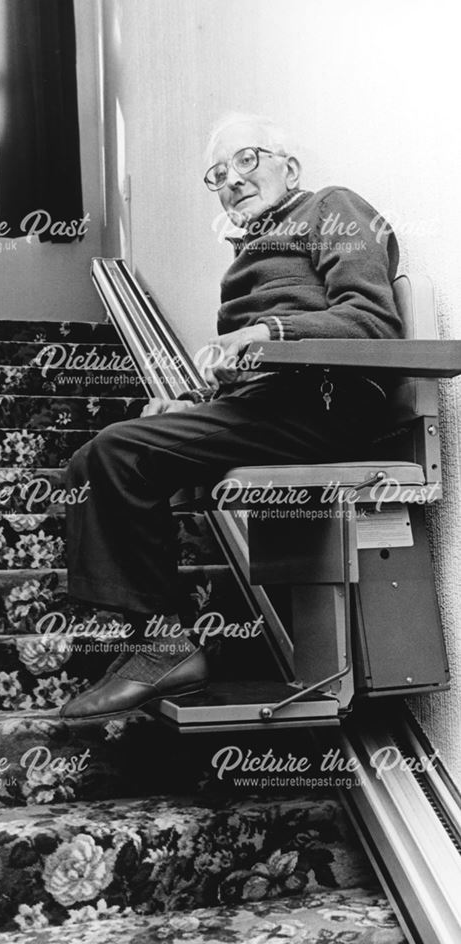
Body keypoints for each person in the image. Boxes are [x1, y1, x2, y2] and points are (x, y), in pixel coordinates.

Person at [60, 112, 402, 720]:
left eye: (248, 160)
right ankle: (155, 640)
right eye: (218, 174)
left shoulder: (332, 205)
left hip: (323, 406)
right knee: (104, 456)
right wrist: (190, 409)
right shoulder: (244, 256)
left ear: (288, 167)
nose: (233, 180)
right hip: (266, 408)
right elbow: (249, 379)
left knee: (114, 452)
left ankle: (163, 645)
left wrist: (271, 329)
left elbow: (373, 322)